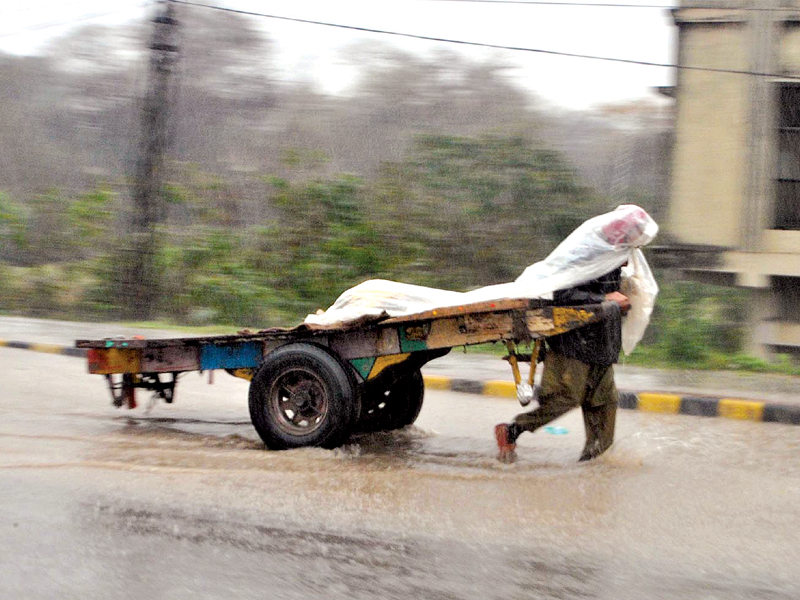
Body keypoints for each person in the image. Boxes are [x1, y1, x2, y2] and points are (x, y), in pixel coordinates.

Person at [494, 266, 631, 463]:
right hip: (573, 345)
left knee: (605, 405)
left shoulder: (615, 265)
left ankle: (592, 467)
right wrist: (604, 298)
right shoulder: (587, 257)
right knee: (566, 397)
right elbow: (563, 294)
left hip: (602, 348)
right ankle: (512, 431)